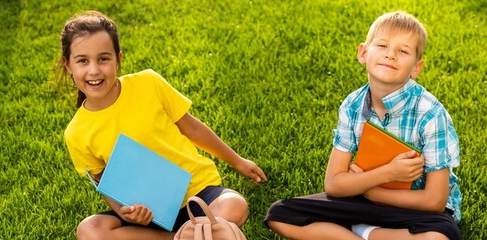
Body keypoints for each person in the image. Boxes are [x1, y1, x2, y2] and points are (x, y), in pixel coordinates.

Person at [57, 10, 268, 240]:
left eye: (103, 59)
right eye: (83, 61)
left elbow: (192, 128)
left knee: (234, 205)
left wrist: (238, 161)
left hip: (197, 192)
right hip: (150, 215)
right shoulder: (76, 133)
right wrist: (127, 214)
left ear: (119, 58)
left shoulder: (149, 83)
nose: (94, 70)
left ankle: (188, 235)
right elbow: (104, 184)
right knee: (89, 230)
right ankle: (195, 235)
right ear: (68, 65)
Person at [264, 10, 461, 240]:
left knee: (441, 236)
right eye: (382, 46)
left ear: (416, 68)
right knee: (279, 214)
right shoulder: (352, 105)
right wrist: (388, 173)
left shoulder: (430, 114)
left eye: (403, 51)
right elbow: (335, 185)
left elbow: (434, 201)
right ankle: (365, 235)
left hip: (415, 210)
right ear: (363, 53)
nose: (391, 55)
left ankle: (363, 230)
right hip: (363, 200)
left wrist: (372, 192)